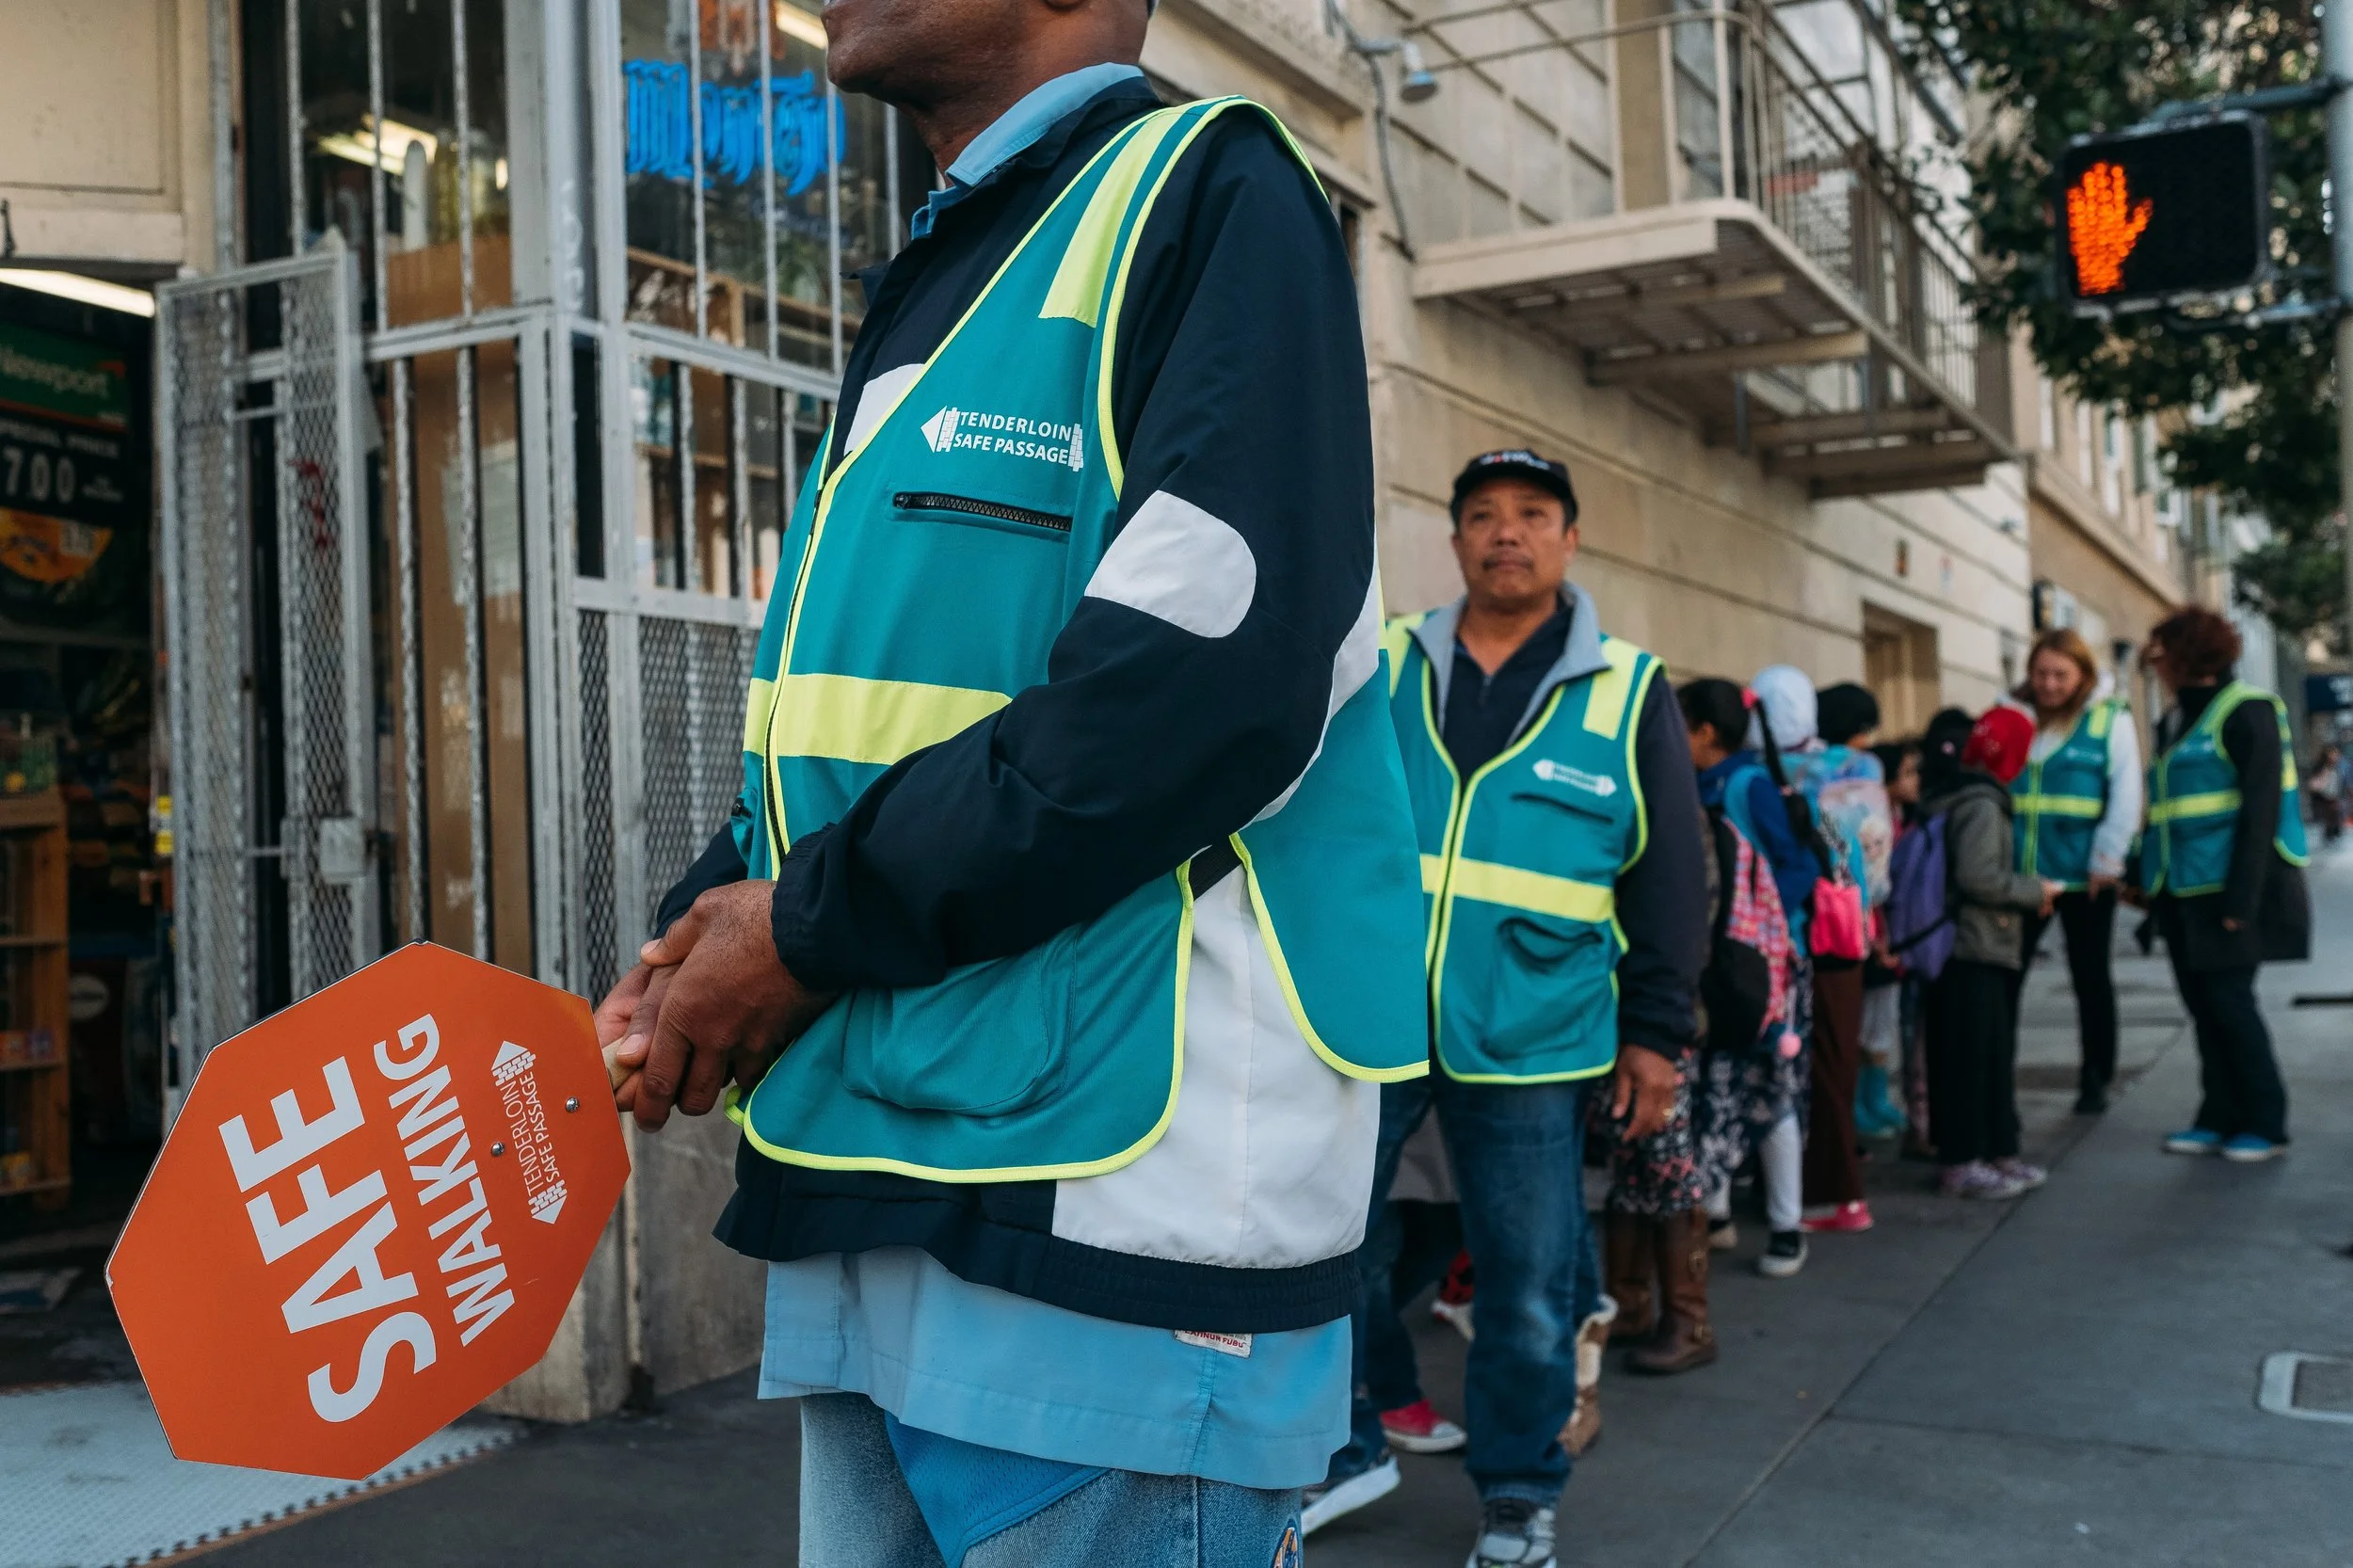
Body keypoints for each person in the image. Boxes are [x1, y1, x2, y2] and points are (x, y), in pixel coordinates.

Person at [594, 10, 1433, 1565]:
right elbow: (866, 720)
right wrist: (706, 926)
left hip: (1115, 1229)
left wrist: (802, 927)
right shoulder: (954, 260)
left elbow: (1195, 689)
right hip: (888, 1186)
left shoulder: (1211, 187)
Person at [1319, 447, 1707, 1567]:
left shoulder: (1626, 686)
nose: (1506, 532)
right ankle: (1350, 1441)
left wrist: (1655, 1034)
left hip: (1536, 1033)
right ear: (1453, 542)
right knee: (1321, 1244)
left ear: (1568, 539)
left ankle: (1519, 1493)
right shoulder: (1387, 659)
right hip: (1374, 1018)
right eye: (1483, 514)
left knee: (1527, 1285)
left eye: (1533, 514)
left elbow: (1669, 875)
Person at [2135, 607, 2312, 1163]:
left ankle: (2265, 1122)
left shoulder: (2248, 711)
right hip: (2180, 890)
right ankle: (2217, 1116)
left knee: (2230, 1005)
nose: (2156, 664)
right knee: (2204, 1009)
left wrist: (2241, 902)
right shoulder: (2173, 720)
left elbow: (2260, 813)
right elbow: (2167, 811)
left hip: (2228, 891)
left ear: (2185, 656)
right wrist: (2142, 878)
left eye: (2161, 652)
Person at [1683, 678, 1813, 1280]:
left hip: (1761, 967)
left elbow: (1797, 866)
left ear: (1706, 732)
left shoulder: (1747, 785)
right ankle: (1715, 1212)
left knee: (1769, 1090)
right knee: (1715, 1084)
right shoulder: (1699, 782)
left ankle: (1787, 1224)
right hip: (1716, 964)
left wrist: (1754, 924)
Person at [1751, 666, 1885, 1236]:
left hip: (1785, 937)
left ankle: (1823, 1193)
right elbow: (1875, 856)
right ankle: (1832, 1190)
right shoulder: (1857, 768)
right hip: (1845, 931)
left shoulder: (1756, 774)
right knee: (1835, 1063)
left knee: (1791, 1069)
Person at [1916, 707, 2062, 1200]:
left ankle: (1998, 1150)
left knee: (1988, 1054)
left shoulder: (1953, 792)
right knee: (1971, 1057)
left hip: (1972, 945)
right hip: (1973, 944)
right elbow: (1978, 877)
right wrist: (2033, 891)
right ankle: (1963, 1161)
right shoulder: (1980, 803)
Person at [2006, 629, 2143, 1114]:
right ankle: (1997, 1078)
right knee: (2006, 979)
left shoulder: (2109, 719)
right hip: (2023, 876)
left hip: (2086, 876)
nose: (2049, 684)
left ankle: (2095, 1077)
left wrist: (2109, 858)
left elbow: (2126, 793)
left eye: (2060, 675)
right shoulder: (2012, 716)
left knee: (2091, 978)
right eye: (2041, 673)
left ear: (2082, 675)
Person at [1870, 741, 1933, 1154]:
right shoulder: (1881, 821)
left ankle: (1876, 1098)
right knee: (1872, 1022)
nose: (1915, 780)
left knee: (1883, 1022)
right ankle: (1868, 1099)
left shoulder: (1903, 819)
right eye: (1907, 772)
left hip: (1893, 935)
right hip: (1879, 933)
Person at [2310, 742, 2345, 845]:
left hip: (2334, 796)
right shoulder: (2321, 767)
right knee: (2328, 818)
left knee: (2335, 818)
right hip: (2323, 797)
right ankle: (2329, 836)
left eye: (2336, 753)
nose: (2335, 756)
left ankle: (2334, 835)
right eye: (2332, 753)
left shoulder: (2338, 767)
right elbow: (2314, 784)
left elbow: (2339, 783)